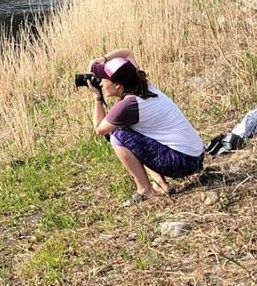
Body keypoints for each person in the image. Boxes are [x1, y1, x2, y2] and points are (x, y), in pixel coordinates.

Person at [85, 48, 204, 203]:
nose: (100, 82)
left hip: (182, 162)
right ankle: (160, 184)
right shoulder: (141, 83)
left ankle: (145, 190)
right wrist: (103, 59)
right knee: (133, 132)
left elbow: (100, 129)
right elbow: (128, 53)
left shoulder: (128, 105)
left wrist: (97, 97)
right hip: (195, 155)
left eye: (104, 79)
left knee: (117, 135)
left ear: (117, 86)